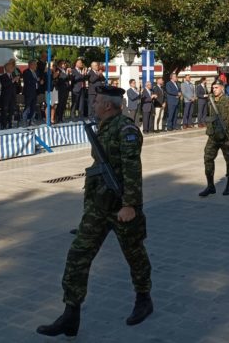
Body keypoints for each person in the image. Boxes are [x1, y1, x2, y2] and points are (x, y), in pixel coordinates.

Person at [36, 86, 152, 337]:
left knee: (135, 255)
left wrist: (130, 205)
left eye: (97, 101)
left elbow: (133, 169)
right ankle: (71, 313)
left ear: (108, 106)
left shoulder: (126, 129)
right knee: (78, 254)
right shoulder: (104, 127)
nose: (94, 104)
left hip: (122, 205)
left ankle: (144, 299)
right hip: (99, 206)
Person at [198, 81, 229, 197]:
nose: (214, 89)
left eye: (216, 87)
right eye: (213, 87)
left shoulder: (228, 101)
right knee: (207, 158)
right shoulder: (211, 101)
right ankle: (210, 186)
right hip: (213, 135)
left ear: (222, 88)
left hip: (225, 136)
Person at [0, 60, 20, 129]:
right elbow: (5, 85)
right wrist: (13, 80)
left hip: (12, 96)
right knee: (4, 111)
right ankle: (3, 125)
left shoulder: (13, 75)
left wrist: (17, 81)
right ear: (7, 68)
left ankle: (10, 124)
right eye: (11, 67)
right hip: (5, 97)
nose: (13, 68)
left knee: (11, 111)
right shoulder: (2, 76)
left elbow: (16, 86)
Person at [22, 60, 40, 127]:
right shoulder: (26, 72)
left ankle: (31, 120)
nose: (36, 66)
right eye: (35, 64)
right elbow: (28, 80)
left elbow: (37, 80)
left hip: (35, 92)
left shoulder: (36, 72)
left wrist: (39, 82)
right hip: (28, 92)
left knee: (33, 107)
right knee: (27, 106)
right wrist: (36, 80)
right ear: (30, 65)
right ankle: (24, 120)